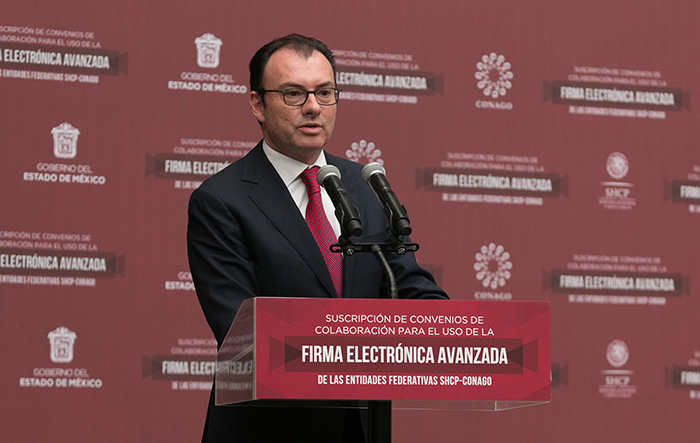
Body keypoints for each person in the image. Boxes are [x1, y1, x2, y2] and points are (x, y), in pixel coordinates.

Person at [187, 33, 447, 443]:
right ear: (257, 104)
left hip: (358, 426)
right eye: (293, 94)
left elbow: (406, 286)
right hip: (267, 430)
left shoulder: (365, 187)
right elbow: (240, 330)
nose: (313, 107)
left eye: (325, 92)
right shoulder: (222, 199)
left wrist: (451, 332)